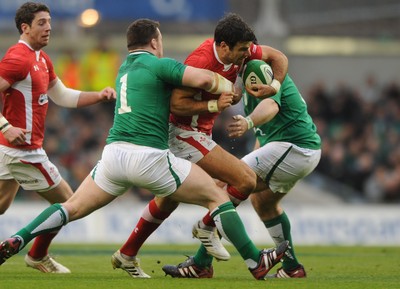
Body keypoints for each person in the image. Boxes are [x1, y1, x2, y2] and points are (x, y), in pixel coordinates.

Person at [0, 18, 288, 281]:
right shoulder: (161, 66)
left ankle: (19, 238)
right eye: (160, 39)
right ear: (154, 42)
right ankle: (254, 260)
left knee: (71, 206)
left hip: (113, 155)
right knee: (217, 196)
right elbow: (202, 79)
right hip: (149, 157)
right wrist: (228, 87)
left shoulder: (124, 69)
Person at [111, 13, 289, 278]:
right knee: (245, 180)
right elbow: (175, 103)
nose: (246, 56)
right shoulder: (202, 60)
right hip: (182, 131)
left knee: (167, 201)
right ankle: (222, 238)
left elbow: (279, 58)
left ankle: (128, 253)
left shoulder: (243, 50)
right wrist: (215, 104)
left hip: (200, 132)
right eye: (241, 50)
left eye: (247, 50)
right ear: (223, 46)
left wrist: (274, 85)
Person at [163, 70, 322, 278]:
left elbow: (271, 105)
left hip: (293, 147)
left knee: (226, 183)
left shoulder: (257, 66)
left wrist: (248, 121)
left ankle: (202, 260)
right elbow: (263, 134)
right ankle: (292, 269)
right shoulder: (247, 81)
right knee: (262, 202)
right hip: (296, 149)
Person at [0, 2, 116, 273]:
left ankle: (38, 254)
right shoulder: (18, 57)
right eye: (41, 23)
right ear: (25, 28)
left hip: (10, 149)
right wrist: (5, 127)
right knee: (70, 203)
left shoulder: (41, 58)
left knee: (2, 205)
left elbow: (62, 95)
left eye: (49, 22)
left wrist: (98, 95)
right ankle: (37, 254)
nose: (48, 27)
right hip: (23, 150)